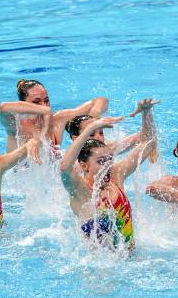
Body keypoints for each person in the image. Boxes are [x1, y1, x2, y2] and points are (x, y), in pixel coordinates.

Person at [59, 99, 158, 251]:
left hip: (131, 261)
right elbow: (65, 167)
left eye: (108, 160)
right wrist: (91, 126)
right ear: (85, 166)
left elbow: (149, 143)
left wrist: (146, 112)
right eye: (100, 161)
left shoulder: (116, 174)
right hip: (100, 270)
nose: (106, 165)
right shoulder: (80, 189)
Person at [0, 79, 108, 153]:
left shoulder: (58, 120)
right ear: (23, 104)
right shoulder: (16, 126)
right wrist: (44, 110)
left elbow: (100, 100)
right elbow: (3, 108)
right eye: (36, 102)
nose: (44, 106)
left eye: (46, 101)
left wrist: (95, 114)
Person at [65, 114, 157, 162]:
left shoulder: (108, 150)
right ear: (75, 139)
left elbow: (144, 135)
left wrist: (146, 112)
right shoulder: (74, 163)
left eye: (101, 133)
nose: (98, 137)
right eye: (91, 134)